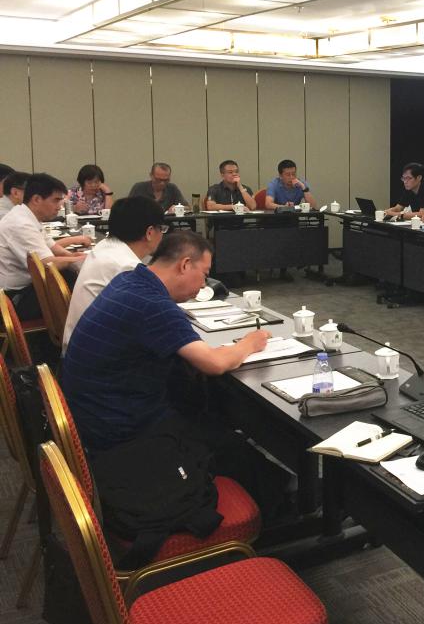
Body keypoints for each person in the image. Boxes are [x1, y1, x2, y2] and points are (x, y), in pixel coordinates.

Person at [61, 231, 287, 517]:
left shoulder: (128, 281)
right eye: (204, 274)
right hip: (121, 432)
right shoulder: (153, 305)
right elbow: (214, 364)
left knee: (203, 405)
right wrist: (250, 343)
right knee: (227, 444)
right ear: (185, 264)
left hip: (94, 413)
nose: (203, 285)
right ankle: (282, 510)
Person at [63, 196, 167, 349]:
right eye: (162, 229)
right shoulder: (126, 267)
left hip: (79, 345)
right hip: (93, 353)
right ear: (150, 232)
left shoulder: (105, 246)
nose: (163, 235)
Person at [0, 173, 88, 318]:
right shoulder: (20, 223)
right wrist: (78, 259)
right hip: (15, 298)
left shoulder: (27, 216)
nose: (60, 206)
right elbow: (46, 264)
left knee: (73, 275)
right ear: (36, 199)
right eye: (56, 200)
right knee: (75, 282)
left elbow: (52, 247)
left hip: (27, 289)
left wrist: (73, 256)